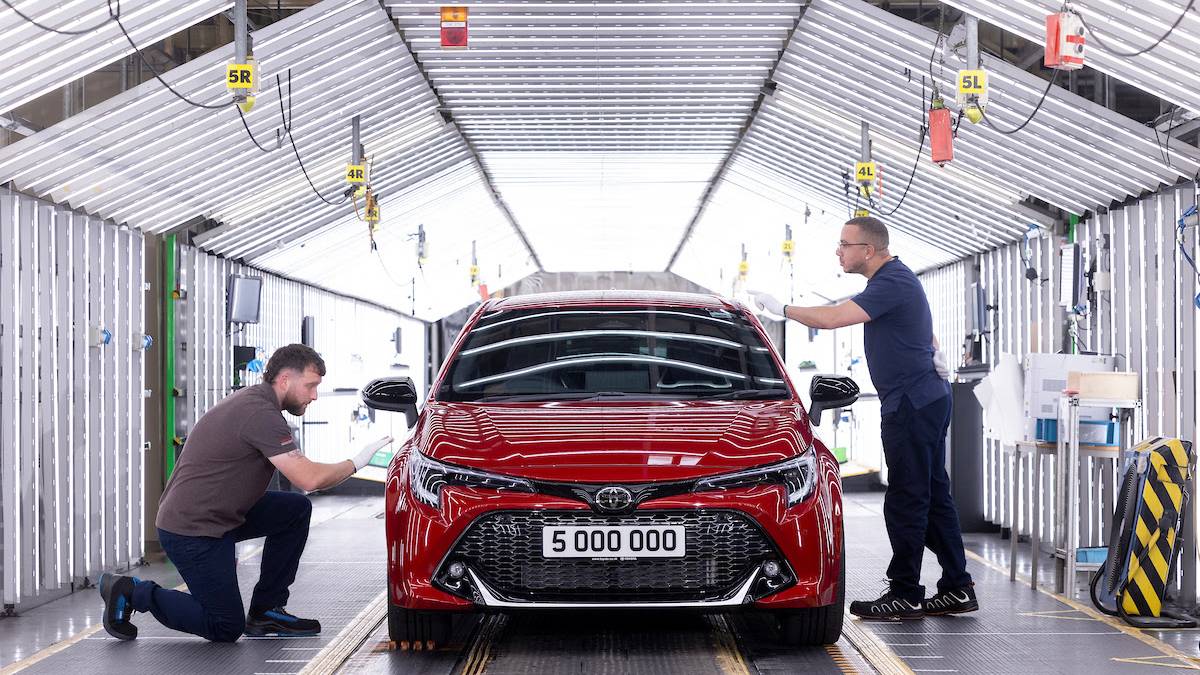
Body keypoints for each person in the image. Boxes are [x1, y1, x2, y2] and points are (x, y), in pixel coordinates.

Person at [752, 216, 977, 621]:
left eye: (844, 244)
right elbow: (921, 326)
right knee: (933, 496)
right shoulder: (895, 282)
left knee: (908, 499)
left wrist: (781, 309)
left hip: (911, 403)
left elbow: (833, 318)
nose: (838, 251)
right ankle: (957, 587)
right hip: (925, 398)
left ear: (868, 251)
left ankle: (905, 592)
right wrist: (931, 351)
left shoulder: (892, 281)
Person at [97, 344, 394, 641]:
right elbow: (309, 479)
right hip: (193, 529)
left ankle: (266, 611)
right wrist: (357, 461)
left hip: (220, 515)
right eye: (311, 386)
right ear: (285, 380)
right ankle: (132, 592)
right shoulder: (260, 414)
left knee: (294, 511)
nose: (314, 395)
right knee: (224, 626)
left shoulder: (259, 404)